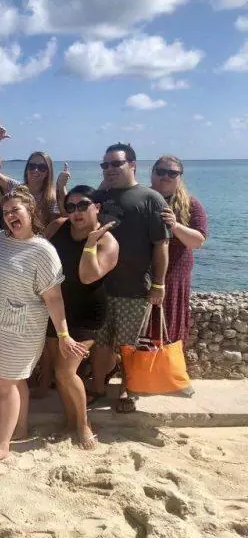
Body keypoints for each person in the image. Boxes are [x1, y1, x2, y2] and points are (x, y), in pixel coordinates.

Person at [0, 187, 88, 465]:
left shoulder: (43, 250)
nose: (11, 215)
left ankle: (1, 444)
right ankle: (20, 430)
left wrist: (63, 335)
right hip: (0, 322)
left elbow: (54, 298)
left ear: (31, 212)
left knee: (4, 382)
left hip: (25, 327)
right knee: (15, 380)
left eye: (16, 210)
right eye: (6, 211)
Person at [88, 143, 171, 414]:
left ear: (132, 165)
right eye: (105, 165)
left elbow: (161, 245)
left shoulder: (150, 199)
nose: (109, 169)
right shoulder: (100, 197)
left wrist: (158, 284)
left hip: (134, 288)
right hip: (100, 286)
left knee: (128, 345)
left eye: (116, 164)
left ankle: (127, 389)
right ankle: (98, 387)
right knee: (100, 343)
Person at [43, 186, 119, 450]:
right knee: (58, 371)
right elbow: (38, 252)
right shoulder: (58, 227)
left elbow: (88, 276)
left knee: (66, 371)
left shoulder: (107, 241)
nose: (76, 212)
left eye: (83, 205)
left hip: (88, 314)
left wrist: (89, 243)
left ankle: (83, 424)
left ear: (96, 206)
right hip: (57, 309)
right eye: (71, 206)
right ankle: (68, 421)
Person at [150, 156, 207, 344]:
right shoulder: (141, 199)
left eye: (172, 173)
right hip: (142, 276)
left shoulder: (191, 204)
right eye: (160, 171)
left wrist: (175, 225)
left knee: (170, 329)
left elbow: (197, 241)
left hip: (174, 278)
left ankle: (166, 371)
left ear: (180, 177)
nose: (165, 176)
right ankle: (140, 370)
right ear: (152, 173)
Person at [23, 152, 61, 225]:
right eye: (32, 166)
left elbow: (53, 228)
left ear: (47, 172)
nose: (35, 170)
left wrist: (62, 187)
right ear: (27, 169)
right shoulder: (17, 189)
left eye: (42, 167)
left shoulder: (52, 198)